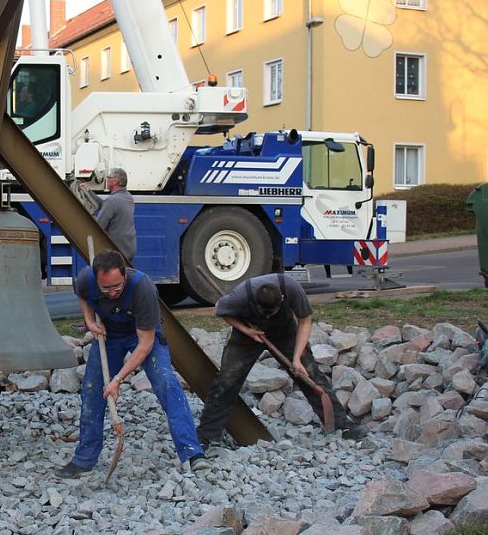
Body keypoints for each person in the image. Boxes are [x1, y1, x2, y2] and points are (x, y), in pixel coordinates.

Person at [55, 250, 208, 478]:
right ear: (97, 279)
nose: (112, 292)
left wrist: (117, 380)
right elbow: (83, 294)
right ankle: (84, 459)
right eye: (105, 288)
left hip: (142, 335)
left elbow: (145, 344)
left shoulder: (142, 287)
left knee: (167, 383)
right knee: (91, 390)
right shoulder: (87, 278)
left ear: (125, 275)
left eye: (117, 286)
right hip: (109, 335)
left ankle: (192, 453)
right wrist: (89, 320)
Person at [195, 273, 366, 452]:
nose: (268, 317)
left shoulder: (292, 288)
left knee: (310, 373)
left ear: (282, 299)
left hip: (285, 333)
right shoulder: (240, 296)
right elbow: (220, 309)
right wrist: (247, 330)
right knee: (226, 381)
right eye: (264, 313)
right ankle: (207, 436)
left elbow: (305, 321)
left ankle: (341, 424)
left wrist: (297, 358)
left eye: (271, 313)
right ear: (253, 302)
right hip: (248, 336)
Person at [87, 167, 137, 262]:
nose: (107, 180)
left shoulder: (112, 201)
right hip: (128, 249)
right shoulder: (128, 197)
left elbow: (99, 226)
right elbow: (106, 205)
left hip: (116, 253)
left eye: (108, 178)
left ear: (115, 181)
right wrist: (89, 192)